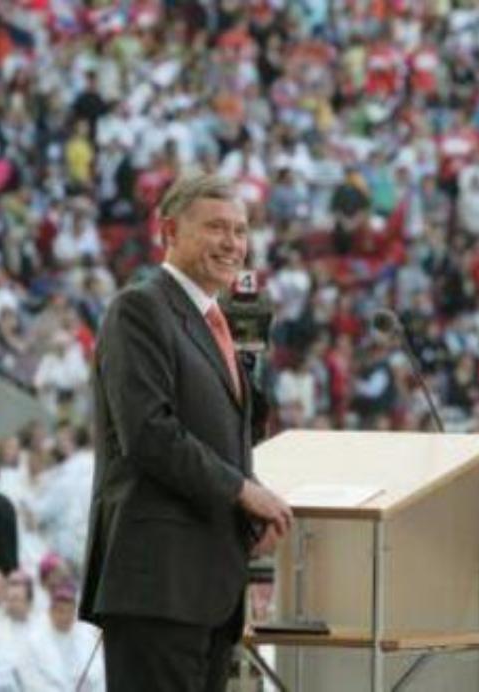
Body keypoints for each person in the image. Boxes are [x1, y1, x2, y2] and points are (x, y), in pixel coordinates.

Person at [79, 173, 293, 692]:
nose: (232, 243)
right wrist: (244, 491)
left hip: (207, 587)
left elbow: (220, 440)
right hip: (158, 584)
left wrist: (249, 510)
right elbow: (150, 433)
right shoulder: (141, 309)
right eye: (216, 228)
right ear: (169, 231)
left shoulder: (213, 323)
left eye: (241, 231)